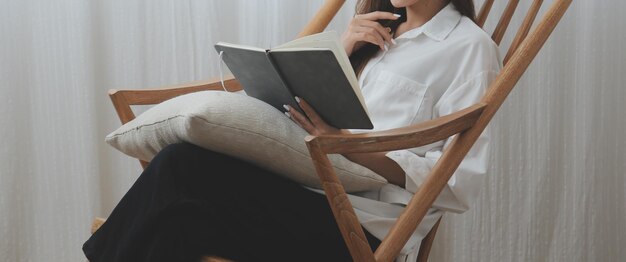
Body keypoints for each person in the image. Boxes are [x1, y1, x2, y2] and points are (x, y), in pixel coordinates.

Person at [82, 0, 502, 261]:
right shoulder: (377, 33)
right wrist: (341, 48)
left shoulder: (469, 49)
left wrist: (344, 145)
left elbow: (458, 183)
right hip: (300, 195)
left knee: (181, 167)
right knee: (173, 228)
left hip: (357, 231)